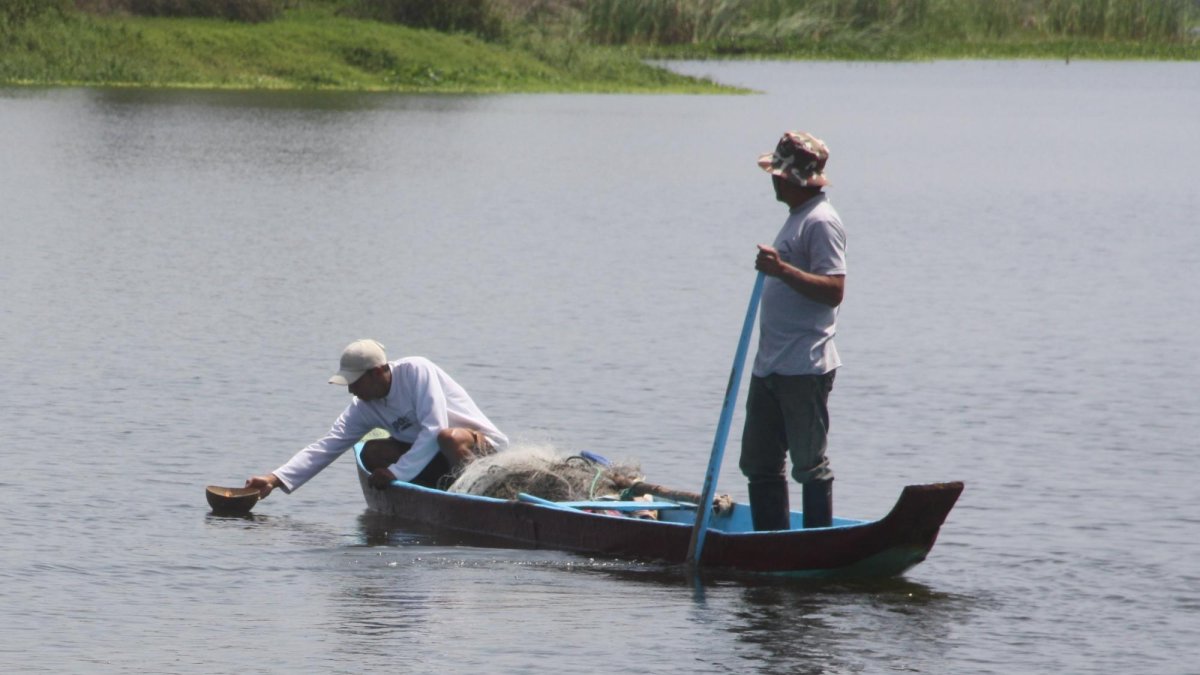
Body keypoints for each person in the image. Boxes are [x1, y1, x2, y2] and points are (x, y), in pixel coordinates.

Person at [740, 131, 846, 531]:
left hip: (804, 366)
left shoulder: (822, 222)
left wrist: (781, 269)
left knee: (809, 464)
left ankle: (817, 543)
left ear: (792, 179)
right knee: (759, 464)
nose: (773, 180)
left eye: (778, 174)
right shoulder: (798, 219)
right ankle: (772, 545)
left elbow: (834, 290)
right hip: (771, 365)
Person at [246, 339, 508, 498]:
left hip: (480, 450)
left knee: (447, 437)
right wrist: (274, 479)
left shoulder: (416, 371)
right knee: (372, 453)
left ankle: (486, 492)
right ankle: (441, 492)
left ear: (377, 372)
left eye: (354, 382)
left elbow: (434, 428)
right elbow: (327, 446)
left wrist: (396, 473)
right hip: (433, 459)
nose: (350, 390)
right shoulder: (363, 406)